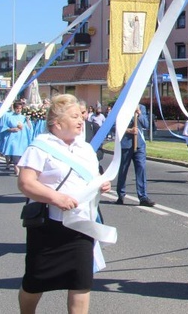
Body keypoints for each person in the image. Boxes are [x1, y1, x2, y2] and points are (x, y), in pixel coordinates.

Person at [16, 94, 112, 314]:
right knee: (35, 282)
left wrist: (102, 184)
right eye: (75, 116)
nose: (81, 120)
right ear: (57, 123)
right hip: (48, 226)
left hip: (81, 226)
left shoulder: (85, 148)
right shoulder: (39, 147)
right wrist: (55, 198)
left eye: (81, 115)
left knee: (81, 282)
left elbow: (94, 176)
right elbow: (25, 183)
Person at [116, 104, 155, 207]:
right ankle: (121, 194)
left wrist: (139, 114)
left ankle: (143, 197)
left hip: (139, 145)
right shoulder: (122, 106)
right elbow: (114, 126)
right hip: (126, 144)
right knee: (123, 169)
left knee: (141, 169)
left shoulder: (141, 107)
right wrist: (128, 130)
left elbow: (146, 124)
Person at [0, 101, 31, 176]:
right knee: (15, 152)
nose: (18, 110)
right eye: (17, 108)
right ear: (14, 108)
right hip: (13, 138)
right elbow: (4, 127)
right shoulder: (9, 117)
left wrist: (28, 120)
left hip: (22, 139)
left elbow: (29, 128)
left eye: (20, 108)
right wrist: (11, 129)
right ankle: (16, 168)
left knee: (20, 154)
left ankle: (18, 167)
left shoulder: (24, 118)